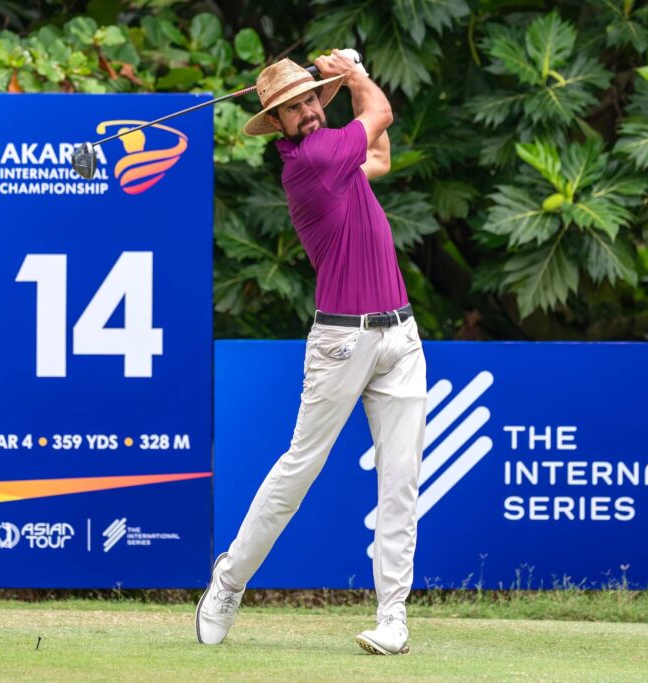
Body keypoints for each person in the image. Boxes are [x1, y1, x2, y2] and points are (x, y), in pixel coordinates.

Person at [195, 50, 427, 656]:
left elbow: (378, 153)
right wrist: (353, 76)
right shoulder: (311, 163)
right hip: (341, 342)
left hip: (400, 337)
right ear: (275, 124)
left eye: (308, 100)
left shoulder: (338, 154)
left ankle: (393, 618)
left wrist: (343, 85)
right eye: (290, 108)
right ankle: (229, 580)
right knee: (300, 469)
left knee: (401, 481)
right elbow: (381, 110)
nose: (303, 113)